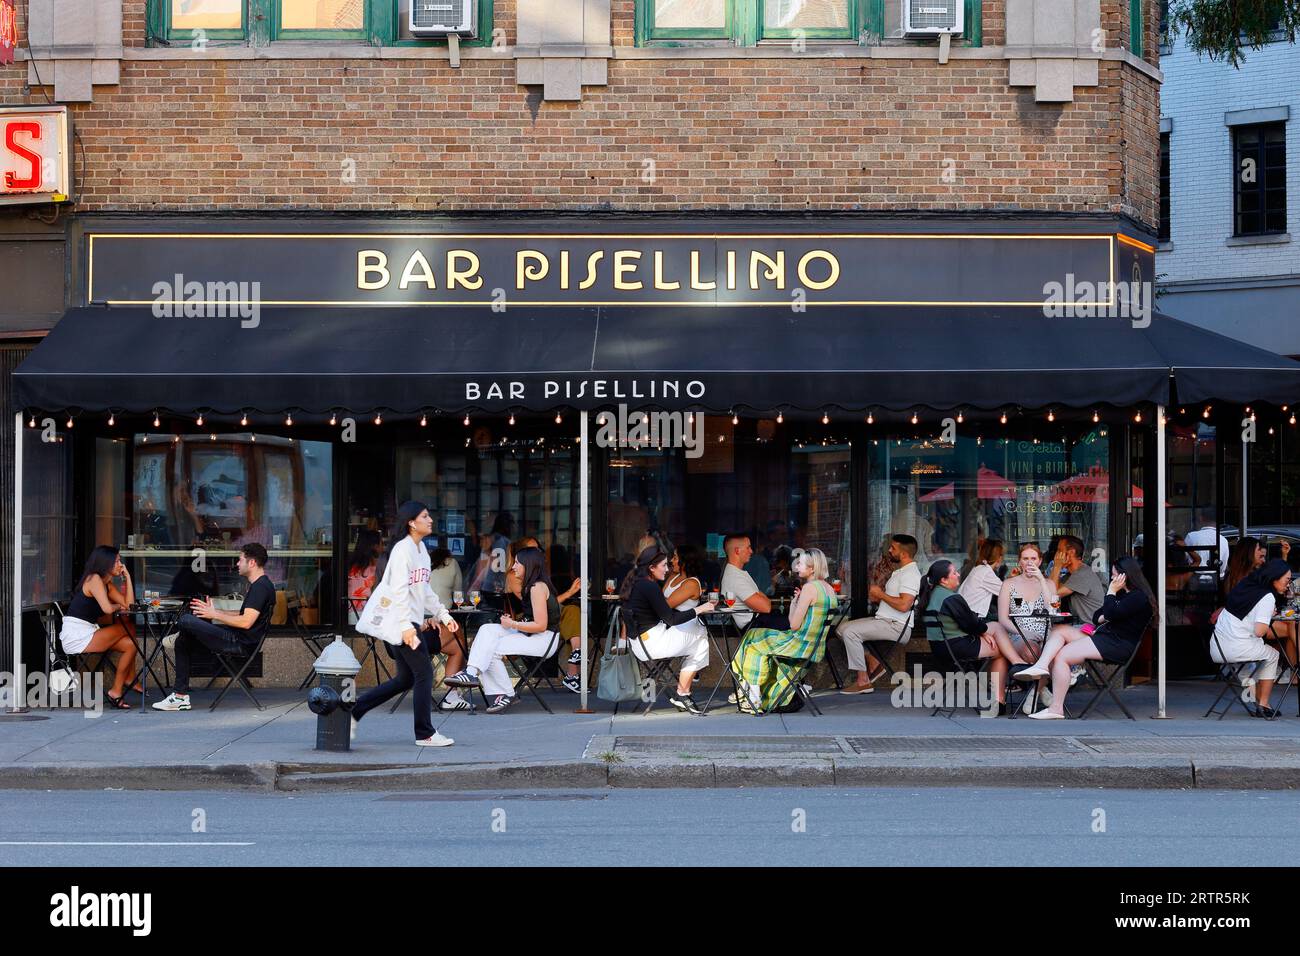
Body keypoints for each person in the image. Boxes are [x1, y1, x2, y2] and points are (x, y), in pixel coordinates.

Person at [344, 503, 462, 743]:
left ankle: (354, 711)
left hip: (409, 623)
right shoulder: (402, 550)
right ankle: (425, 734)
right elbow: (398, 591)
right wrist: (407, 628)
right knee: (425, 674)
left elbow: (425, 590)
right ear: (411, 522)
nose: (430, 520)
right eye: (425, 516)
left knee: (405, 679)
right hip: (402, 623)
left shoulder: (420, 552)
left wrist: (444, 615)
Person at [1014, 556, 1157, 719]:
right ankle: (1041, 665)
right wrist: (1108, 613)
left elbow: (1109, 612)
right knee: (1060, 630)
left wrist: (1110, 592)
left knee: (1062, 656)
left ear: (1125, 575)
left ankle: (1056, 708)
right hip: (1104, 638)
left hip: (1116, 644)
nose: (1111, 578)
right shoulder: (1124, 595)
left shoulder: (1137, 597)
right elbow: (1097, 615)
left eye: (1114, 574)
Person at [152, 543, 278, 712]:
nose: (237, 564)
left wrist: (214, 615)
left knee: (187, 620)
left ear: (252, 562)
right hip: (237, 638)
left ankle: (180, 634)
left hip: (238, 642)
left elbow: (246, 622)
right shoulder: (261, 585)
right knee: (184, 639)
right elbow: (243, 615)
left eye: (240, 560)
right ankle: (180, 697)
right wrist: (213, 611)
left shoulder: (260, 587)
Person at [444, 546, 561, 714]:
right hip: (532, 634)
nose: (513, 567)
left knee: (492, 648)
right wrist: (512, 623)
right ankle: (471, 673)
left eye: (517, 563)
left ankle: (504, 693)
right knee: (487, 629)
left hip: (544, 639)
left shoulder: (537, 588)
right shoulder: (531, 586)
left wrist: (512, 624)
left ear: (528, 565)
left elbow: (541, 625)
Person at [731, 548, 836, 714]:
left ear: (812, 568)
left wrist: (794, 603)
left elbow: (793, 624)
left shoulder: (810, 588)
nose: (796, 567)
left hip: (798, 643)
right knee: (753, 635)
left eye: (800, 564)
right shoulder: (828, 589)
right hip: (813, 646)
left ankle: (752, 696)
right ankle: (748, 689)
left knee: (753, 644)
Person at [617, 546, 715, 715]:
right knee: (702, 639)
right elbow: (671, 618)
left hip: (640, 645)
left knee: (698, 636)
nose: (667, 568)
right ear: (651, 568)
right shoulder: (650, 587)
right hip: (654, 644)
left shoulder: (636, 584)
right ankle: (684, 691)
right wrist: (701, 609)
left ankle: (686, 683)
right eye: (663, 565)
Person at [925, 560, 1024, 715]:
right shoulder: (951, 598)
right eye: (954, 572)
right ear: (944, 580)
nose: (958, 574)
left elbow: (970, 624)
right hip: (957, 646)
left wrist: (982, 631)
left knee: (995, 628)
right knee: (1000, 651)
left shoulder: (933, 595)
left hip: (940, 648)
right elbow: (971, 624)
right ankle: (1003, 692)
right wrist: (982, 631)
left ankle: (1016, 664)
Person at [836, 534, 921, 694]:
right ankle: (874, 663)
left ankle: (863, 681)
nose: (889, 550)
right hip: (886, 620)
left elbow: (904, 605)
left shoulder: (910, 574)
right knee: (841, 628)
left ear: (903, 554)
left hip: (897, 626)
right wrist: (879, 598)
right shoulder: (901, 572)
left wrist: (880, 594)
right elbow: (896, 600)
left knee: (850, 632)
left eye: (893, 548)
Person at [1207, 559, 1293, 718]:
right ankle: (1263, 704)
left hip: (1218, 647)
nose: (1289, 584)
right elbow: (1260, 632)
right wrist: (1268, 616)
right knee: (1273, 655)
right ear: (1275, 577)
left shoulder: (1246, 585)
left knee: (1249, 664)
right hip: (1236, 649)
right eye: (1287, 579)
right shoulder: (1267, 597)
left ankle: (1254, 701)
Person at [61, 546, 141, 709]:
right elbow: (107, 609)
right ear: (106, 563)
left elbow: (129, 606)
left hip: (89, 631)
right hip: (76, 635)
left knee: (131, 644)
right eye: (117, 561)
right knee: (127, 627)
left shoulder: (108, 585)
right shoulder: (94, 579)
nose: (121, 564)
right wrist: (118, 607)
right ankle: (130, 678)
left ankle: (116, 691)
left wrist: (128, 578)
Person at [720, 533, 787, 631]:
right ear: (737, 550)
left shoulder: (738, 573)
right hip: (755, 626)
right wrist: (761, 596)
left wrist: (761, 597)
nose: (751, 551)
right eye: (748, 548)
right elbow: (766, 607)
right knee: (797, 626)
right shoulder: (734, 577)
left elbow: (765, 602)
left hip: (760, 621)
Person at [1048, 535, 1106, 624]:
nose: (1056, 555)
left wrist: (1057, 566)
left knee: (1056, 631)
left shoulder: (1083, 574)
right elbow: (1049, 589)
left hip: (1093, 628)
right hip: (1081, 625)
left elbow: (1053, 594)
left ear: (1071, 552)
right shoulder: (1070, 575)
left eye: (1059, 551)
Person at [958, 538, 1005, 621]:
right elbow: (1007, 592)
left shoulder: (979, 568)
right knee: (1004, 622)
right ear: (999, 557)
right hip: (972, 619)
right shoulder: (986, 572)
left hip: (965, 616)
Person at [1185, 508, 1230, 577]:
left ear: (1201, 518)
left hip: (1193, 581)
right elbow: (1222, 568)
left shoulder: (1191, 536)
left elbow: (1184, 560)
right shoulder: (1223, 540)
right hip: (1215, 583)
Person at [347, 529, 383, 610]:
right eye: (381, 544)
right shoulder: (377, 567)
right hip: (368, 613)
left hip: (350, 612)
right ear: (375, 546)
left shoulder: (350, 567)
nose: (382, 548)